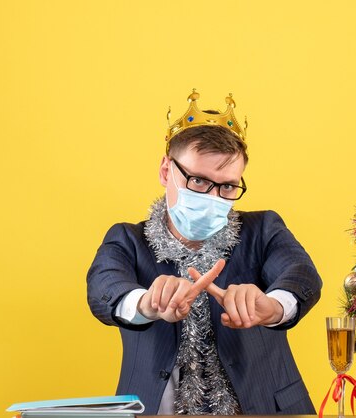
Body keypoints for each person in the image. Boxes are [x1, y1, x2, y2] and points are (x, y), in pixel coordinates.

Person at [86, 90, 322, 415]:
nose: (213, 197)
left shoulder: (264, 229)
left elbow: (301, 275)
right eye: (197, 181)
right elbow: (102, 290)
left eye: (227, 186)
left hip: (267, 408)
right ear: (166, 171)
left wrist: (271, 307)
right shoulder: (127, 239)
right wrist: (147, 303)